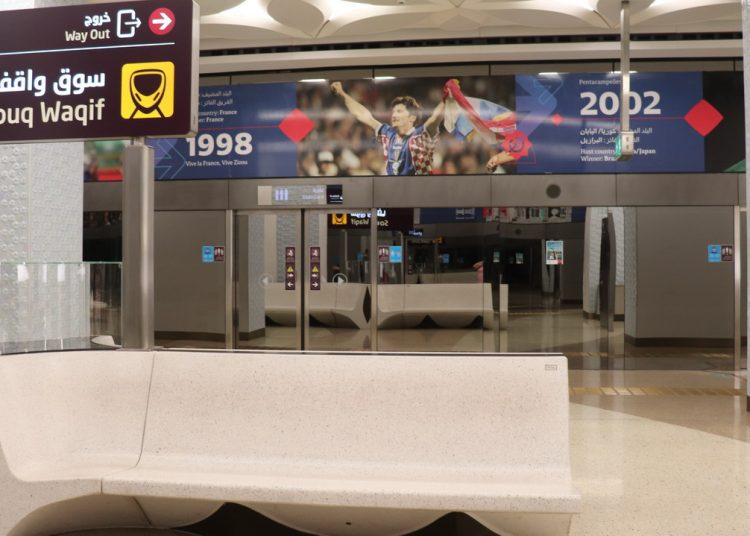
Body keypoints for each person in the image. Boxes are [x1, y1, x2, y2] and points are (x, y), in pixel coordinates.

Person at [330, 81, 446, 175]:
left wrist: (447, 97)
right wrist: (342, 94)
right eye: (393, 112)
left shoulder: (421, 136)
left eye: (399, 111)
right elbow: (364, 116)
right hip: (393, 192)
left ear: (412, 117)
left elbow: (435, 118)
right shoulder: (388, 134)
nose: (394, 115)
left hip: (417, 193)